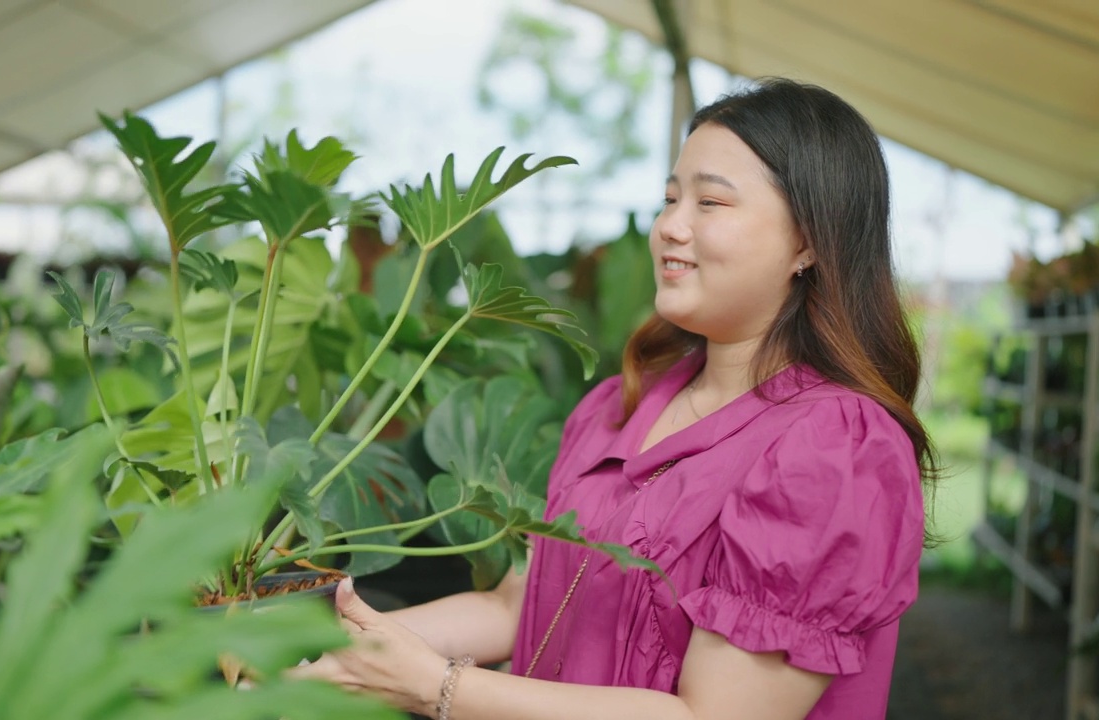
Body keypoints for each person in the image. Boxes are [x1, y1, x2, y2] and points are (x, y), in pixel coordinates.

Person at [292, 77, 935, 720]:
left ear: (809, 242)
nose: (669, 228)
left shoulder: (833, 446)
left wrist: (436, 687)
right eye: (669, 198)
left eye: (710, 202)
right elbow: (521, 607)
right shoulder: (616, 408)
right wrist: (322, 649)